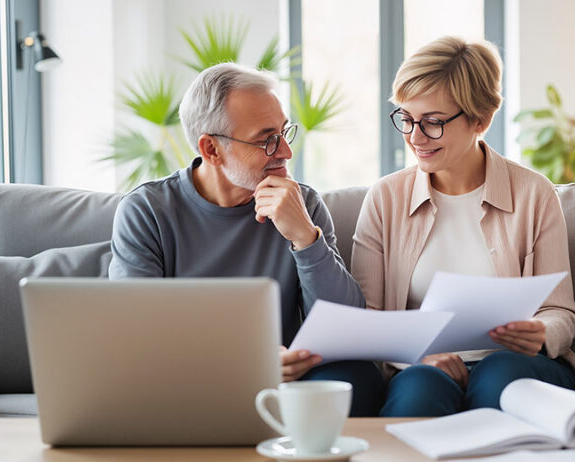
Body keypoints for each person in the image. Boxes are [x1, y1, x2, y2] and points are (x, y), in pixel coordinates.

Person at [109, 62, 385, 416]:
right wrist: (248, 363)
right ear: (211, 150)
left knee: (358, 379)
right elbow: (136, 335)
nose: (285, 151)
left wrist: (305, 237)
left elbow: (346, 325)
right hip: (192, 380)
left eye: (285, 132)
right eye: (266, 139)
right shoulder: (147, 211)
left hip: (287, 380)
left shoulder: (302, 204)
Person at [351, 37, 575, 417]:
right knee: (417, 389)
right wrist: (419, 356)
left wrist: (541, 333)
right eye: (406, 118)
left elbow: (561, 312)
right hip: (422, 364)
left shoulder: (534, 194)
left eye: (432, 123)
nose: (415, 137)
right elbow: (369, 316)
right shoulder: (385, 199)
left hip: (517, 364)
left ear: (480, 119)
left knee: (499, 375)